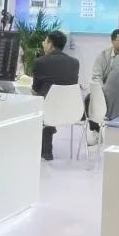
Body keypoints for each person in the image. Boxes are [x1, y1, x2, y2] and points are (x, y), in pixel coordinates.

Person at [31, 30, 80, 161]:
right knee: (49, 102)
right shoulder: (75, 62)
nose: (43, 44)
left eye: (45, 42)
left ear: (51, 44)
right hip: (71, 110)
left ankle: (41, 146)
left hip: (47, 111)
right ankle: (47, 145)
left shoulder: (40, 62)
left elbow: (35, 88)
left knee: (39, 101)